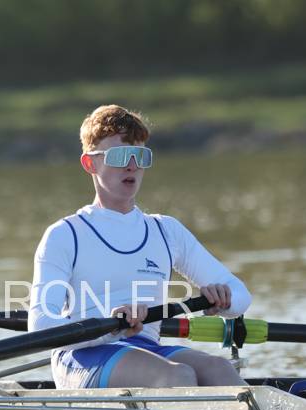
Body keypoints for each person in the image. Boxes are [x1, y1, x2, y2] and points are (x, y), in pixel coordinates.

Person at [28, 105, 251, 389]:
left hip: (146, 349)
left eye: (140, 156)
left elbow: (241, 295)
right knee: (177, 376)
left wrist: (224, 300)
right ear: (90, 164)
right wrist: (111, 325)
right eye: (120, 156)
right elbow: (40, 325)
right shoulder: (64, 235)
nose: (132, 165)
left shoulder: (166, 231)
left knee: (219, 369)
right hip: (81, 355)